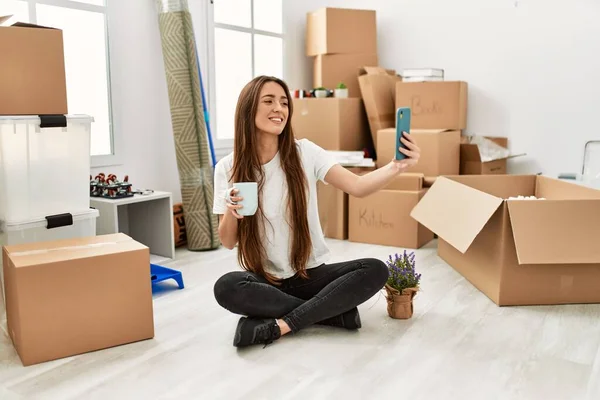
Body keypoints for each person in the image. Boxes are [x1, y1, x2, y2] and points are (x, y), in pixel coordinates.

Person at [212, 75, 421, 348]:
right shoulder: (227, 168)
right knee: (226, 286)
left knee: (375, 269)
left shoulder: (305, 153)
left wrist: (397, 166)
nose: (280, 108)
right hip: (264, 278)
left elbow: (357, 187)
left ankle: (283, 324)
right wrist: (231, 213)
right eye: (269, 101)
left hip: (309, 274)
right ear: (248, 108)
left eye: (284, 102)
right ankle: (330, 314)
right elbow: (228, 242)